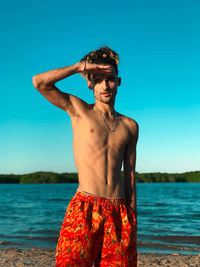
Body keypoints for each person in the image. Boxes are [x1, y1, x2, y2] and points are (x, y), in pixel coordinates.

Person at [32, 47, 139, 267]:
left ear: (118, 81)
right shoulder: (80, 111)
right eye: (98, 80)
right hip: (85, 207)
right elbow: (40, 82)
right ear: (90, 83)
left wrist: (132, 216)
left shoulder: (130, 126)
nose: (105, 85)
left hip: (119, 210)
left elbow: (129, 174)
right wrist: (79, 67)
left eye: (109, 79)